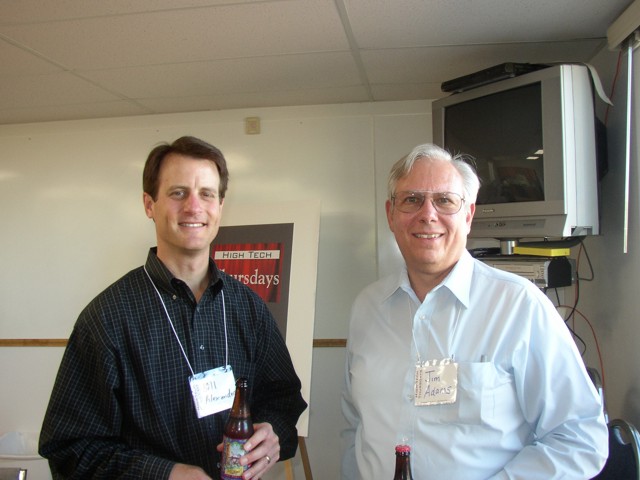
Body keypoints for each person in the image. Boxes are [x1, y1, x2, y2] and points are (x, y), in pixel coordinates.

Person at [39, 136, 307, 479]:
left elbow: (284, 399)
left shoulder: (248, 308)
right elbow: (71, 451)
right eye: (178, 193)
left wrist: (272, 432)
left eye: (206, 194)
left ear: (220, 205)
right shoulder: (107, 320)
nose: (194, 207)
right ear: (149, 204)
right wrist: (164, 474)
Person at [341, 143, 608, 479]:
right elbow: (355, 428)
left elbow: (580, 438)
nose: (428, 214)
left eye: (444, 200)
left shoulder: (518, 306)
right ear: (390, 214)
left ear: (468, 215)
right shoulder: (367, 308)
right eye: (411, 199)